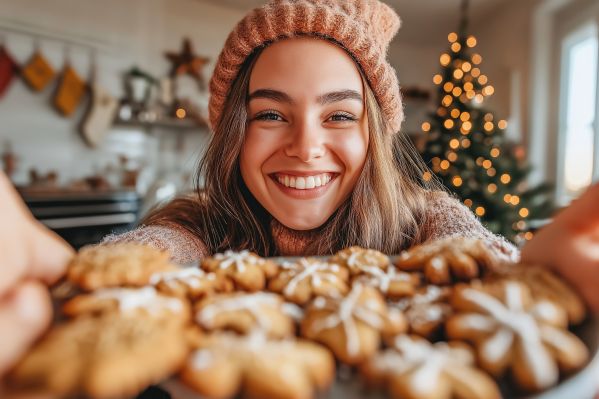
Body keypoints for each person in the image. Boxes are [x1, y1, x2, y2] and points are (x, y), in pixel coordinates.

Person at [0, 0, 597, 380]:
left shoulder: (424, 219)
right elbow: (155, 251)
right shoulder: (199, 224)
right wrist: (82, 277)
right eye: (270, 115)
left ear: (376, 137)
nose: (306, 147)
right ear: (235, 132)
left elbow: (469, 249)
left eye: (339, 116)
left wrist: (522, 274)